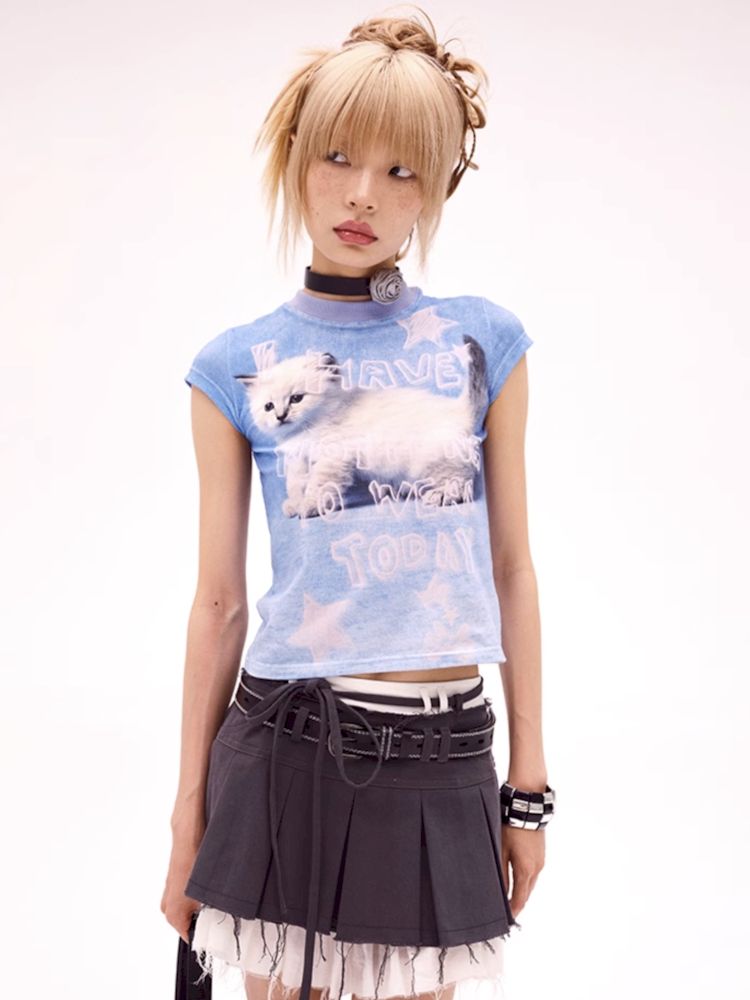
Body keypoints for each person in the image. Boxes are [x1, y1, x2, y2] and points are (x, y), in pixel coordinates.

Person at [162, 8, 555, 1000]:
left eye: (402, 169)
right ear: (297, 156)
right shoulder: (234, 365)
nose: (363, 194)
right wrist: (187, 816)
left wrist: (529, 788)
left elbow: (512, 567)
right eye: (338, 156)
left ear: (439, 186)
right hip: (286, 747)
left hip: (444, 754)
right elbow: (219, 603)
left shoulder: (482, 344)